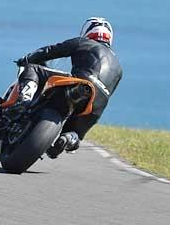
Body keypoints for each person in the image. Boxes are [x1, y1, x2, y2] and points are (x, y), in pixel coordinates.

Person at [9, 17, 123, 158]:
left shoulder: (83, 42)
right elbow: (109, 92)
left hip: (80, 82)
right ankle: (69, 139)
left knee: (33, 69)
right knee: (75, 131)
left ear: (87, 31)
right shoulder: (119, 67)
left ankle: (23, 101)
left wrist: (26, 59)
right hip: (97, 103)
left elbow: (50, 51)